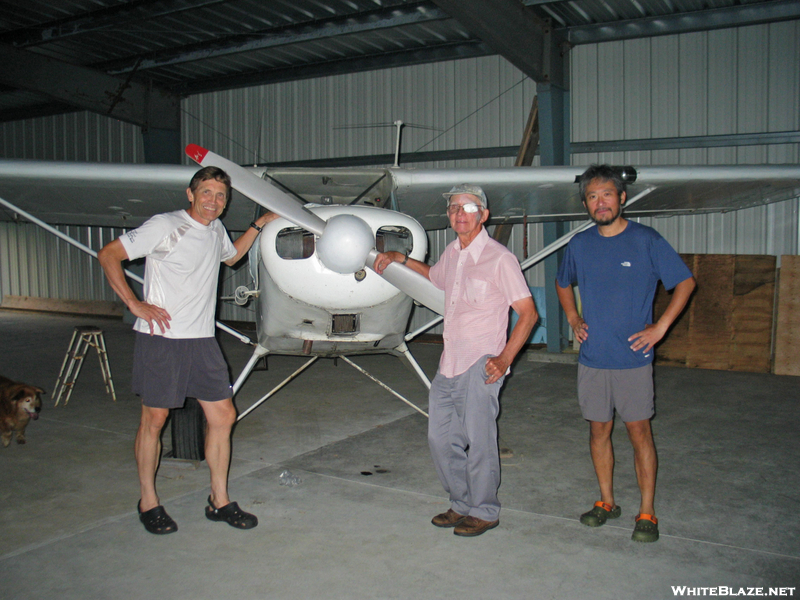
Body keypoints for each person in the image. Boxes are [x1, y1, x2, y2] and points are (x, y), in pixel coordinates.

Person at [98, 166, 278, 535]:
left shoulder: (215, 231)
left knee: (224, 416)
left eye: (221, 196)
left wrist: (260, 223)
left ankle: (219, 499)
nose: (213, 201)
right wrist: (134, 303)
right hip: (162, 338)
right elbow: (109, 254)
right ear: (191, 194)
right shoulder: (164, 225)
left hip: (201, 340)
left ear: (226, 203)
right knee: (155, 420)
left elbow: (231, 257)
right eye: (207, 193)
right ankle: (148, 501)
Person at [374, 183, 538, 537]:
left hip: (480, 365)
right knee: (440, 439)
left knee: (480, 442)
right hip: (448, 365)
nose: (459, 214)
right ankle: (461, 503)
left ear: (484, 215)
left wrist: (504, 357)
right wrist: (402, 259)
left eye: (467, 207)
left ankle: (485, 510)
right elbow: (434, 276)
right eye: (453, 209)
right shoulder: (452, 253)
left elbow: (527, 313)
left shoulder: (499, 259)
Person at [556, 164, 696, 543]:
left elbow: (685, 282)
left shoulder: (646, 240)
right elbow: (562, 282)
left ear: (622, 197)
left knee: (639, 434)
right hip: (592, 359)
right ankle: (606, 502)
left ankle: (646, 511)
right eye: (591, 197)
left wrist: (660, 327)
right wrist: (573, 316)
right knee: (598, 432)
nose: (600, 203)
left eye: (606, 194)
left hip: (633, 359)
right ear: (585, 204)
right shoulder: (579, 245)